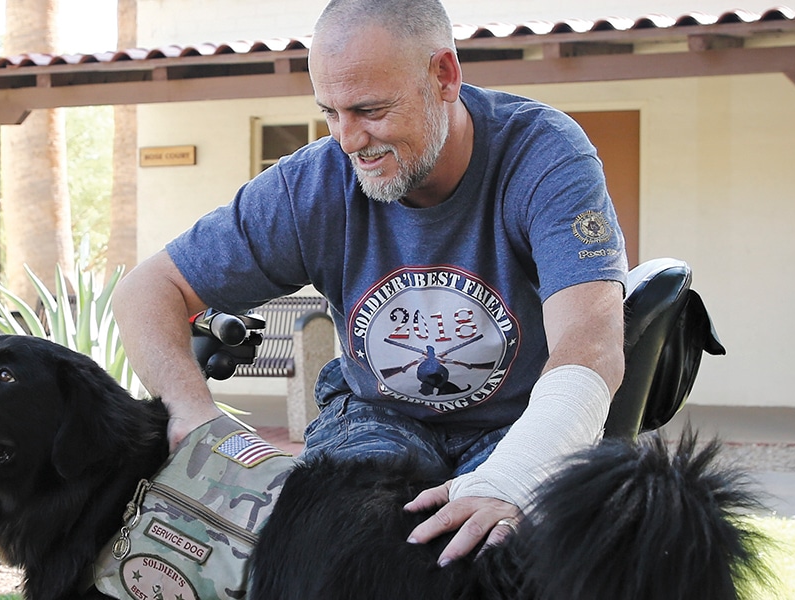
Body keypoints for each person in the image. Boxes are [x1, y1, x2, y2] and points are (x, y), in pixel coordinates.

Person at [112, 0, 626, 567]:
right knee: (341, 549)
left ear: (444, 77)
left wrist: (516, 474)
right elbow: (147, 290)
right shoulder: (311, 185)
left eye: (370, 109)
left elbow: (591, 344)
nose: (349, 140)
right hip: (375, 416)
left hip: (519, 418)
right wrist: (193, 413)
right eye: (331, 113)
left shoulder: (544, 155)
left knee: (521, 558)